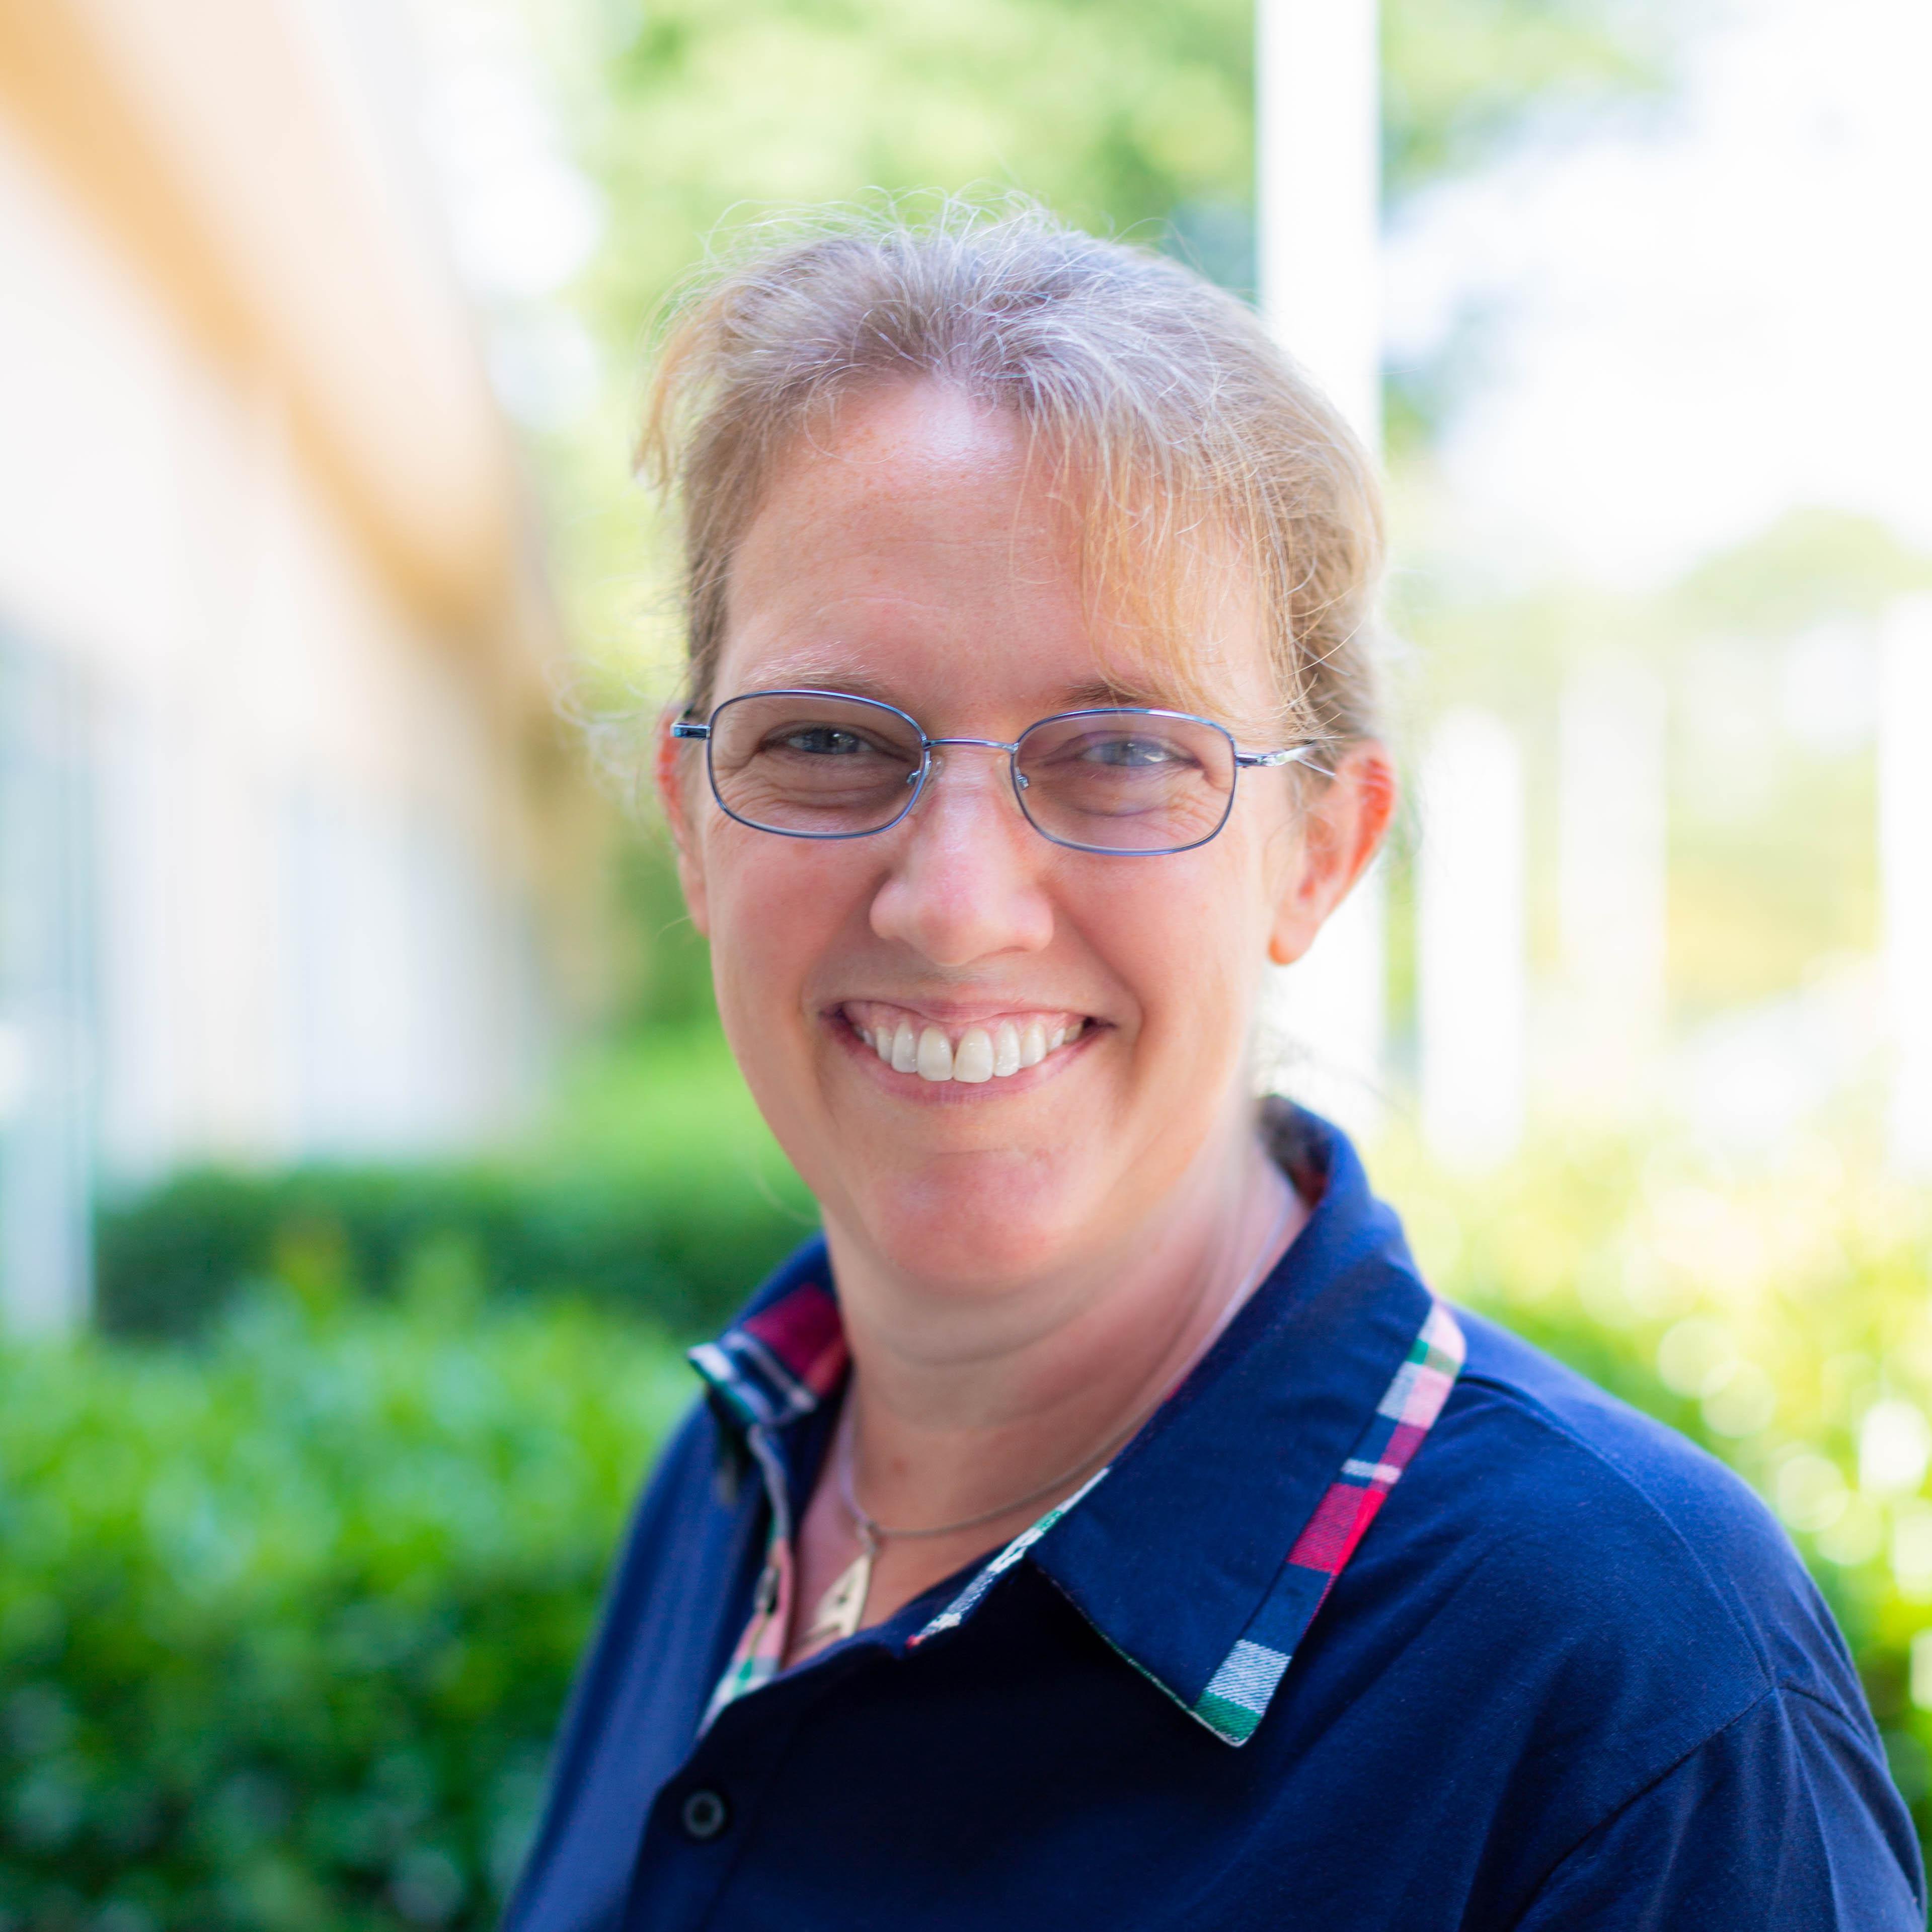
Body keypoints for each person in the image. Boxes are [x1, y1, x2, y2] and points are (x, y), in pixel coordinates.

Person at [505, 204, 1922, 1931]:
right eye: (826, 742)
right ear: (691, 821)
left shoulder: (1625, 1675)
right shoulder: (740, 1483)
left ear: (1319, 850)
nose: (954, 905)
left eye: (1117, 754)